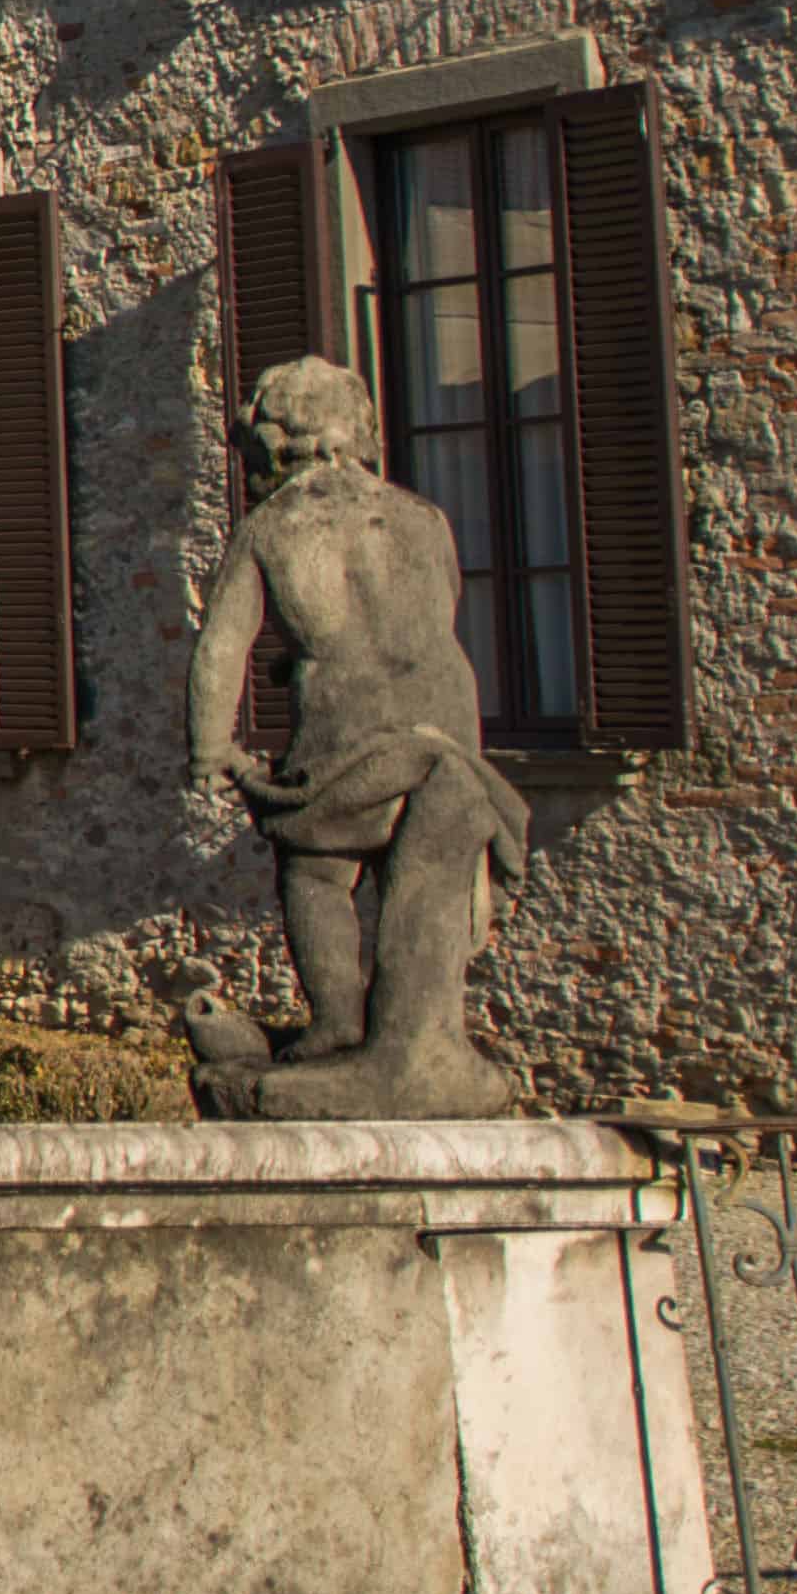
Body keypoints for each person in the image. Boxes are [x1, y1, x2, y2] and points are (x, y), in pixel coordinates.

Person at [182, 353, 528, 1114]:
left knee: (316, 874)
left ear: (275, 445)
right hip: (442, 730)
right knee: (425, 882)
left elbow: (223, 645)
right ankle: (422, 1039)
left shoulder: (273, 528)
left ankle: (339, 1027)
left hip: (343, 737)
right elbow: (436, 616)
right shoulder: (423, 517)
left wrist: (209, 749)